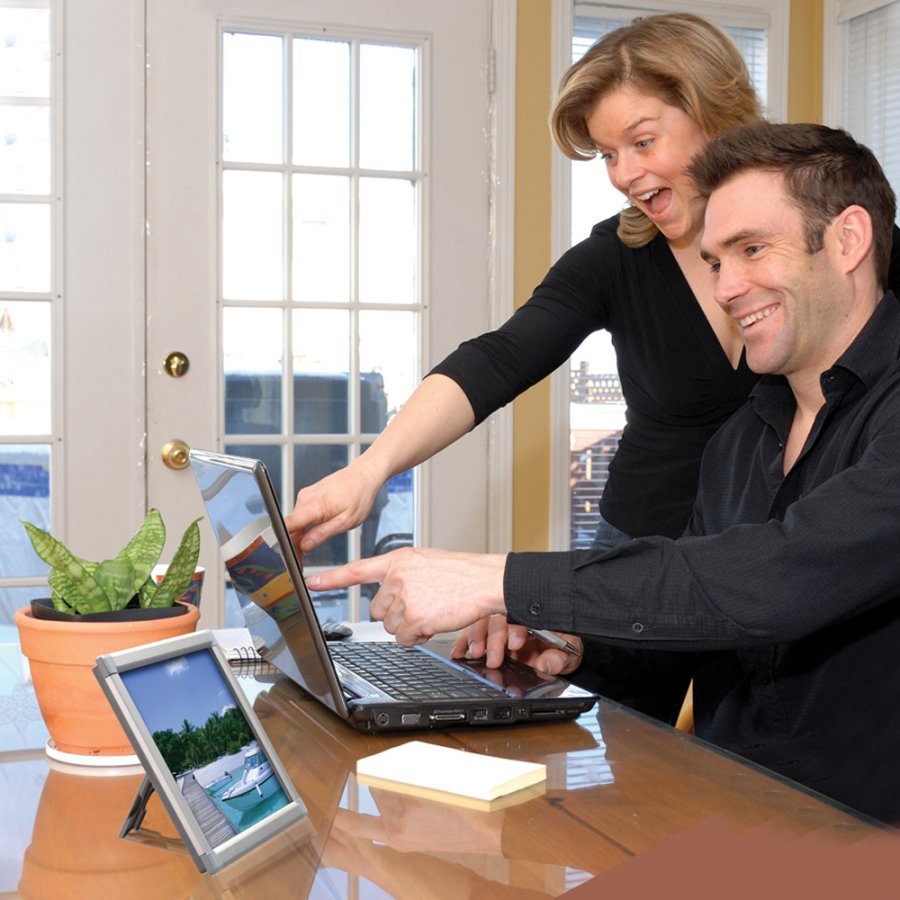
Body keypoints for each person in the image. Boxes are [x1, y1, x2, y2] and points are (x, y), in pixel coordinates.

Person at [307, 122, 900, 824]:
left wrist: (494, 579)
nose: (729, 287)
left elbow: (778, 577)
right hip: (730, 816)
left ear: (849, 240)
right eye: (715, 261)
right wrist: (566, 641)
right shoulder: (739, 439)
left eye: (751, 249)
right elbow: (699, 615)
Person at [287, 14, 767, 722]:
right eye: (608, 155)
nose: (625, 175)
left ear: (714, 115)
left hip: (771, 559)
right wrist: (371, 469)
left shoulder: (816, 240)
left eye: (641, 142)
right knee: (614, 778)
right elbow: (499, 357)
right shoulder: (615, 259)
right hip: (637, 554)